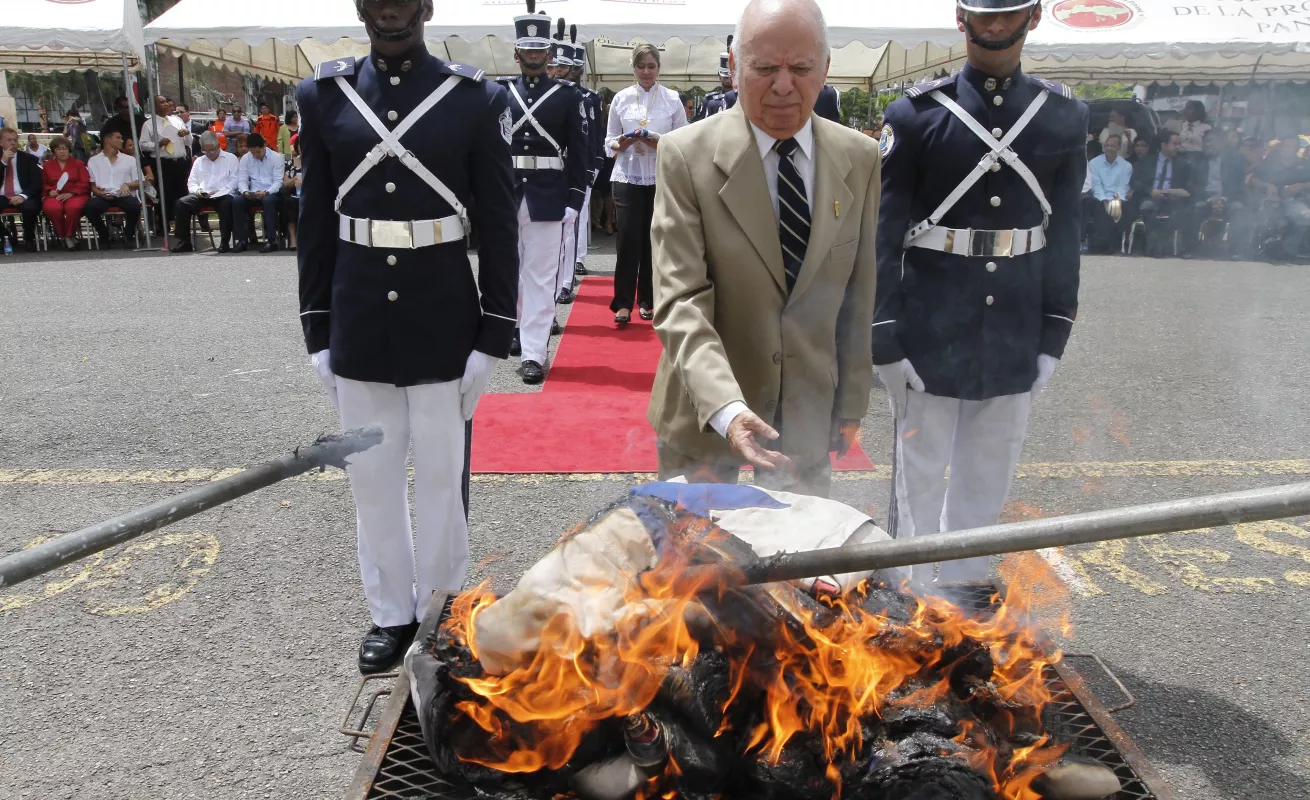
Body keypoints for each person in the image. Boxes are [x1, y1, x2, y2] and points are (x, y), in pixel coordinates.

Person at [297, 0, 517, 673]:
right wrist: (316, 328)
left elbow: (499, 218)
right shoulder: (322, 94)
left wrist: (494, 331)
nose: (390, 10)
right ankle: (390, 614)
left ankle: (448, 610)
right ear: (361, 7)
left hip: (442, 317)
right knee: (373, 478)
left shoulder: (472, 98)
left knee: (442, 480)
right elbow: (313, 219)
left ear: (426, 6)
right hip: (359, 314)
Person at [873, 0, 1086, 584]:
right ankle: (907, 597)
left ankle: (964, 592)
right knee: (917, 475)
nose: (996, 25)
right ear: (960, 18)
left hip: (1014, 325)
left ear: (1035, 16)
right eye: (983, 13)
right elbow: (885, 232)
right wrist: (883, 334)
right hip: (928, 326)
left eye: (1009, 12)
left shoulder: (1063, 115)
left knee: (988, 474)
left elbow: (1065, 230)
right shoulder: (916, 114)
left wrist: (1054, 330)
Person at [648, 0, 880, 499]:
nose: (782, 85)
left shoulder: (859, 158)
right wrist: (727, 410)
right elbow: (680, 300)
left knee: (802, 565)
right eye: (764, 67)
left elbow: (859, 290)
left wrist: (851, 401)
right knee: (698, 569)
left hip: (807, 413)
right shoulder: (685, 156)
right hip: (703, 414)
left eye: (800, 68)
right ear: (733, 67)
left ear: (825, 69)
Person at [500, 2, 588, 385]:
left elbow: (580, 153)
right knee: (508, 271)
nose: (534, 56)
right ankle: (517, 329)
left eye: (540, 50)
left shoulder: (568, 97)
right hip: (505, 194)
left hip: (549, 195)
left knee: (539, 276)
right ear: (516, 53)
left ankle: (534, 352)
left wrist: (574, 199)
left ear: (550, 54)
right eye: (527, 50)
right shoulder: (498, 93)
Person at [606, 42, 687, 326]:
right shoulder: (621, 98)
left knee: (654, 240)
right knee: (628, 238)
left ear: (659, 68)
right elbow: (609, 142)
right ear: (633, 68)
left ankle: (649, 299)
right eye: (641, 66)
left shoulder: (672, 99)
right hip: (627, 175)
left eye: (651, 66)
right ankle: (623, 302)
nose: (646, 72)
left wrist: (656, 140)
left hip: (659, 176)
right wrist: (623, 141)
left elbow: (682, 143)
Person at [550, 24, 604, 301]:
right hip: (549, 172)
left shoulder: (586, 98)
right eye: (557, 66)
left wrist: (593, 165)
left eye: (566, 67)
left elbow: (592, 136)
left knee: (574, 222)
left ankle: (566, 281)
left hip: (576, 168)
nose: (561, 72)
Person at [172, 132, 239, 253]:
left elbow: (234, 181)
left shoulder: (231, 158)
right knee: (182, 203)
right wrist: (197, 190)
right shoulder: (199, 161)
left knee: (227, 204)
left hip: (223, 193)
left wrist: (220, 192)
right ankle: (185, 241)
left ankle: (225, 241)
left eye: (211, 150)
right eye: (205, 151)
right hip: (203, 194)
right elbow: (192, 181)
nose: (208, 154)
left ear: (218, 146)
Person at [1187, 128, 1248, 256]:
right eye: (1206, 142)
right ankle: (1190, 248)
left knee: (1239, 210)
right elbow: (1194, 185)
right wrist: (1210, 200)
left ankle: (1235, 251)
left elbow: (1237, 185)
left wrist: (1223, 199)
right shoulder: (1198, 160)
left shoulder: (1236, 159)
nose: (1208, 145)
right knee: (1194, 208)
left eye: (1212, 141)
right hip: (1205, 198)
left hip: (1228, 199)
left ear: (1222, 143)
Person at [1131, 131, 1192, 257]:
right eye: (1174, 144)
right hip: (1150, 196)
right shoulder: (1148, 160)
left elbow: (1187, 188)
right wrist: (1150, 190)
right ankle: (1152, 246)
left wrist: (1174, 192)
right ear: (1163, 145)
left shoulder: (1182, 164)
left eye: (1179, 144)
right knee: (1149, 207)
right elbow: (1135, 182)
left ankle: (1170, 246)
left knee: (1182, 211)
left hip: (1172, 199)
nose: (1178, 147)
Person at [1250, 139, 1310, 263]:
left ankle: (1289, 249)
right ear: (1281, 147)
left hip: (1293, 200)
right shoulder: (1269, 163)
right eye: (1287, 146)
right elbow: (1252, 179)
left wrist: (1302, 185)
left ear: (1298, 149)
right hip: (1270, 199)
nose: (1289, 149)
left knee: (1305, 217)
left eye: (1293, 146)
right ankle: (1258, 247)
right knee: (1263, 216)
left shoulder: (1304, 165)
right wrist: (1266, 186)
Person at [139, 95, 192, 230]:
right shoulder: (148, 124)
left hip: (179, 162)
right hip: (163, 163)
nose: (167, 105)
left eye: (167, 102)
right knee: (164, 194)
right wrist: (158, 144)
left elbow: (189, 142)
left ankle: (182, 225)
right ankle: (163, 224)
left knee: (181, 193)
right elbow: (143, 145)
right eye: (162, 103)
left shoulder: (177, 120)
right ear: (155, 106)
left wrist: (187, 134)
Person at [83, 130, 142, 248]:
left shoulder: (130, 160)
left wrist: (128, 184)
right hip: (104, 194)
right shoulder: (94, 160)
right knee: (89, 208)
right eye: (118, 137)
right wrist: (99, 193)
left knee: (134, 207)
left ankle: (128, 234)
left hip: (124, 194)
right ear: (108, 140)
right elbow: (92, 185)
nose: (121, 140)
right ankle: (104, 234)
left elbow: (139, 181)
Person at [232, 133, 284, 253]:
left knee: (268, 201)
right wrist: (245, 192)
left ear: (264, 146)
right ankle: (242, 240)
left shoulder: (276, 158)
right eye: (253, 153)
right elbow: (242, 180)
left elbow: (278, 182)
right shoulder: (246, 158)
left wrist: (266, 192)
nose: (256, 155)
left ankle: (272, 240)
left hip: (271, 193)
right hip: (253, 192)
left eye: (258, 152)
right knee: (237, 201)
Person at [41, 135, 91, 250]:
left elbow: (84, 182)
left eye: (64, 149)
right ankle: (63, 235)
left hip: (75, 194)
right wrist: (49, 191)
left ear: (69, 150)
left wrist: (72, 193)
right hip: (55, 194)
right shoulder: (47, 165)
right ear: (54, 151)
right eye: (58, 149)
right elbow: (43, 183)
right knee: (52, 208)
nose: (62, 152)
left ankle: (69, 235)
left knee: (73, 208)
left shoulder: (78, 164)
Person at [1085, 133, 1133, 254]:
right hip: (1099, 198)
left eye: (1113, 146)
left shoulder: (1126, 166)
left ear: (1119, 148)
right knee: (1101, 209)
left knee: (1123, 209)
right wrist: (1105, 200)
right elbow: (1096, 186)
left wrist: (1115, 201)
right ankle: (1101, 246)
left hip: (1118, 198)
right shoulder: (1094, 163)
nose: (1109, 148)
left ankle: (1115, 245)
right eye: (1107, 145)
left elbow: (1123, 187)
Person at [0, 127, 44, 252]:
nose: (13, 143)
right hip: (2, 195)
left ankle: (29, 238)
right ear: (1, 142)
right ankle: (6, 236)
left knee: (31, 207)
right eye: (9, 140)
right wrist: (3, 162)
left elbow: (36, 183)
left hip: (23, 194)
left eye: (15, 140)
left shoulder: (28, 159)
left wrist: (23, 196)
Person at [696, 37, 735, 121]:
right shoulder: (709, 100)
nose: (728, 79)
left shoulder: (742, 100)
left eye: (730, 75)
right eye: (725, 76)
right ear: (719, 76)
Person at [282, 133, 302, 250]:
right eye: (300, 145)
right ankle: (293, 239)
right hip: (294, 194)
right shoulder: (290, 163)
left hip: (312, 193)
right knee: (290, 202)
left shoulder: (316, 162)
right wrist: (296, 178)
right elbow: (286, 183)